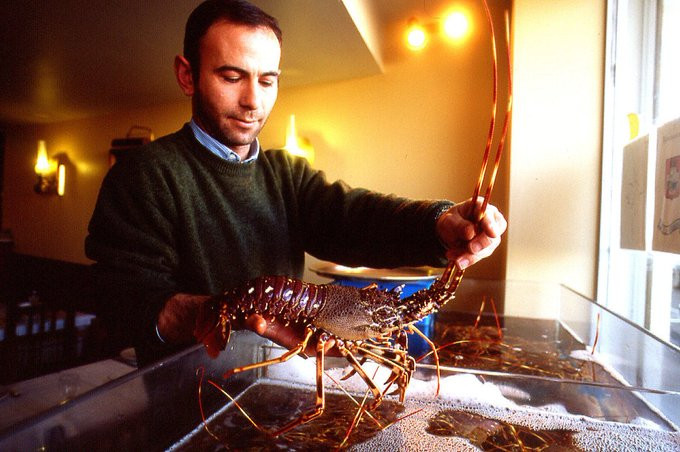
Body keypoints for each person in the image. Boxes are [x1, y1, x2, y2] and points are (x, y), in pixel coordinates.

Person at [85, 0, 507, 366]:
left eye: (268, 80)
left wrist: (438, 224)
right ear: (187, 75)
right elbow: (125, 301)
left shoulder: (286, 174)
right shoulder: (144, 174)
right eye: (232, 77)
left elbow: (354, 216)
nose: (253, 100)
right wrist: (223, 312)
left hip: (271, 383)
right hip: (182, 399)